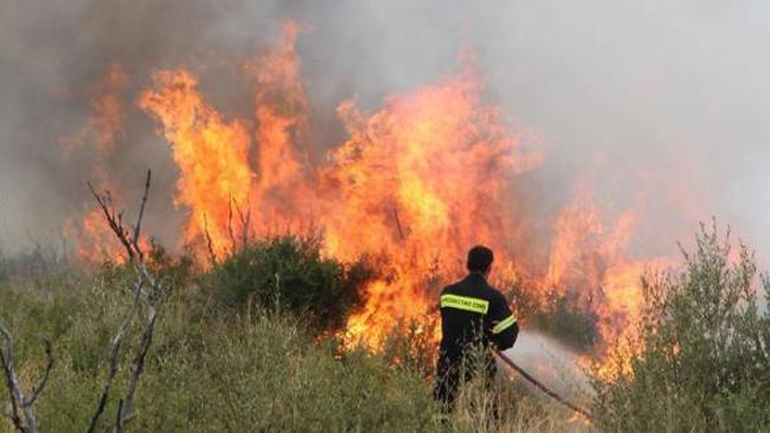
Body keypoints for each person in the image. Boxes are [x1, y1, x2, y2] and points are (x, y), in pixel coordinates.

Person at [433, 245, 519, 411]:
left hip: (447, 365)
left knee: (443, 414)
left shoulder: (447, 293)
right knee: (481, 415)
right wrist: (494, 340)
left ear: (468, 265)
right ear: (489, 268)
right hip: (477, 369)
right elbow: (510, 334)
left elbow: (454, 322)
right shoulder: (493, 297)